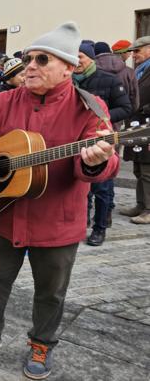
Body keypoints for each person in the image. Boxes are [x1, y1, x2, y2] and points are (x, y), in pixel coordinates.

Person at [0, 22, 119, 380]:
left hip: (57, 222)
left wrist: (96, 161)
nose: (31, 66)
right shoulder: (6, 100)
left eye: (42, 59)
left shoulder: (90, 108)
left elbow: (105, 164)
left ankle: (42, 343)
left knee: (51, 293)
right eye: (28, 59)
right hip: (5, 215)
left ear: (68, 67)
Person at [74, 42, 132, 245]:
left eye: (80, 56)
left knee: (102, 188)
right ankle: (83, 223)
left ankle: (100, 228)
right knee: (82, 188)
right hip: (76, 143)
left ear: (91, 58)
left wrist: (102, 119)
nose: (76, 61)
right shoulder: (70, 81)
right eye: (73, 57)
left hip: (102, 140)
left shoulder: (109, 80)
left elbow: (126, 108)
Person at [121, 36, 150, 224]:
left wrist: (144, 108)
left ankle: (149, 209)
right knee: (138, 168)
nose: (133, 55)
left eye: (138, 51)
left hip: (147, 125)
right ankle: (141, 204)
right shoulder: (139, 71)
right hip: (136, 125)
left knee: (148, 170)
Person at [95, 41, 139, 114]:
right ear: (122, 52)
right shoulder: (129, 72)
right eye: (129, 51)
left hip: (96, 117)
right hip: (121, 116)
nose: (131, 54)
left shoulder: (90, 70)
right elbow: (134, 98)